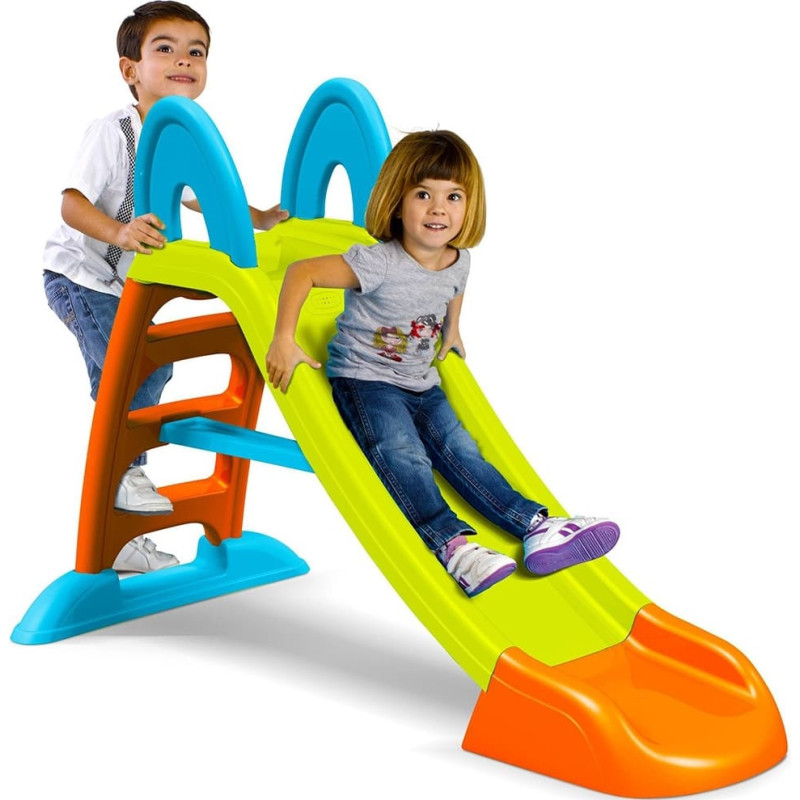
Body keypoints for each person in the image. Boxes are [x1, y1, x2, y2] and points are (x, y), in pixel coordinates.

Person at [266, 130, 619, 597]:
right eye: (423, 195)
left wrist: (452, 329)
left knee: (462, 450)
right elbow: (303, 272)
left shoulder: (458, 260)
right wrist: (283, 339)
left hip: (421, 381)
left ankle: (534, 526)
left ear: (469, 206)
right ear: (397, 202)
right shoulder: (379, 263)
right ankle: (453, 547)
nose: (438, 209)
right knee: (401, 451)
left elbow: (454, 289)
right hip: (366, 381)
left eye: (453, 196)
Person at [43, 2, 288, 573]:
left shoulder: (181, 138)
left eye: (195, 52)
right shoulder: (114, 131)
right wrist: (119, 232)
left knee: (142, 373)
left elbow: (201, 195)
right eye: (166, 49)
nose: (184, 60)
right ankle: (124, 474)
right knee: (130, 369)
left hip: (125, 286)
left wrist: (258, 219)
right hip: (80, 277)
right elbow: (71, 203)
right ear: (130, 70)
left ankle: (121, 535)